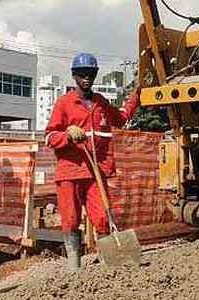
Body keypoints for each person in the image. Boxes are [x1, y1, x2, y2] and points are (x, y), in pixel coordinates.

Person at [44, 53, 140, 271]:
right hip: (70, 173)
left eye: (91, 74)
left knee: (103, 218)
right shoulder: (64, 103)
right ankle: (74, 266)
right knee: (70, 220)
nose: (87, 78)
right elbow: (49, 137)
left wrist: (137, 95)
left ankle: (110, 263)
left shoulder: (100, 102)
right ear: (74, 76)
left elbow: (122, 118)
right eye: (82, 74)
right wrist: (68, 134)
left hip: (96, 173)